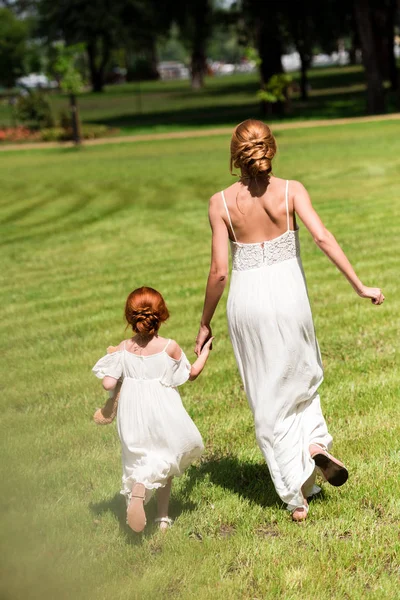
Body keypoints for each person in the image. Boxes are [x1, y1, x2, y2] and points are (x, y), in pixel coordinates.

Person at [195, 119, 384, 522]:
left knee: (267, 395)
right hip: (290, 296)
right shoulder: (291, 190)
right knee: (301, 376)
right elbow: (322, 238)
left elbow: (219, 272)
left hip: (247, 302)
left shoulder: (220, 203)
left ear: (235, 156)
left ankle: (296, 497)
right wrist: (359, 285)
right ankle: (314, 445)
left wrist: (205, 322)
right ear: (271, 148)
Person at [93, 286, 212, 532]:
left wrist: (113, 371)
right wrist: (205, 352)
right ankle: (162, 517)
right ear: (162, 315)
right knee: (164, 457)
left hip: (131, 412)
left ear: (130, 317)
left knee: (136, 456)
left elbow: (108, 382)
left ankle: (138, 487)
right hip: (162, 409)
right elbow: (191, 374)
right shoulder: (169, 347)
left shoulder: (124, 348)